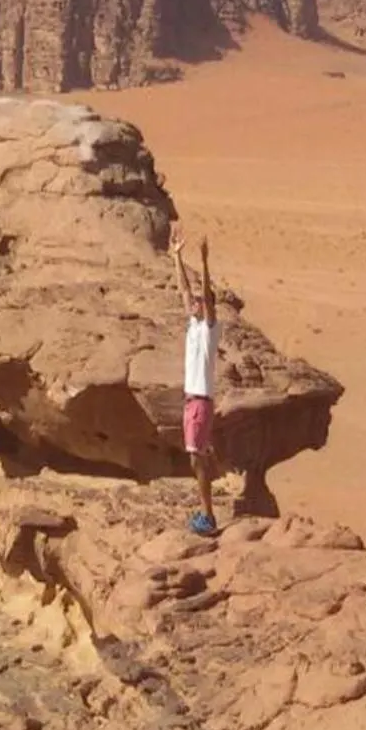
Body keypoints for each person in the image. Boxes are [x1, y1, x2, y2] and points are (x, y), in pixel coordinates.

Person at [170, 223, 220, 536]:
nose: (195, 304)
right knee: (194, 457)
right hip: (192, 401)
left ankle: (208, 516)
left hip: (200, 401)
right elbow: (185, 291)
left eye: (202, 303)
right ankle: (207, 512)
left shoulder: (209, 330)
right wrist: (177, 256)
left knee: (195, 457)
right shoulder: (193, 324)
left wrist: (203, 261)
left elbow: (201, 294)